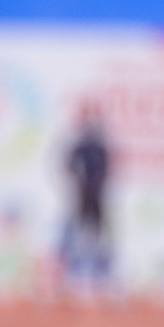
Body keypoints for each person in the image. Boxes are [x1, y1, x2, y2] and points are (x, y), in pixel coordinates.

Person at [60, 102, 113, 299]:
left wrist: (97, 184)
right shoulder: (80, 146)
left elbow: (106, 169)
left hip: (97, 197)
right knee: (77, 236)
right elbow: (69, 165)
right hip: (81, 197)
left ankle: (101, 278)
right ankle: (74, 278)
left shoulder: (99, 147)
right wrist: (79, 182)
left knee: (100, 237)